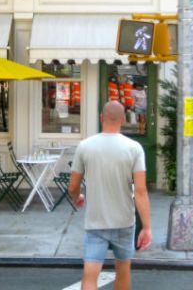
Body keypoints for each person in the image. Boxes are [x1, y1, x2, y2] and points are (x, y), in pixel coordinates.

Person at [68, 101, 152, 290]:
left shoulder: (85, 146)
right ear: (123, 120)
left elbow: (73, 186)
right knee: (123, 271)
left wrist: (77, 197)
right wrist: (147, 227)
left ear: (101, 118)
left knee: (90, 274)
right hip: (124, 222)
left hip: (96, 222)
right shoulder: (134, 148)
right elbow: (140, 191)